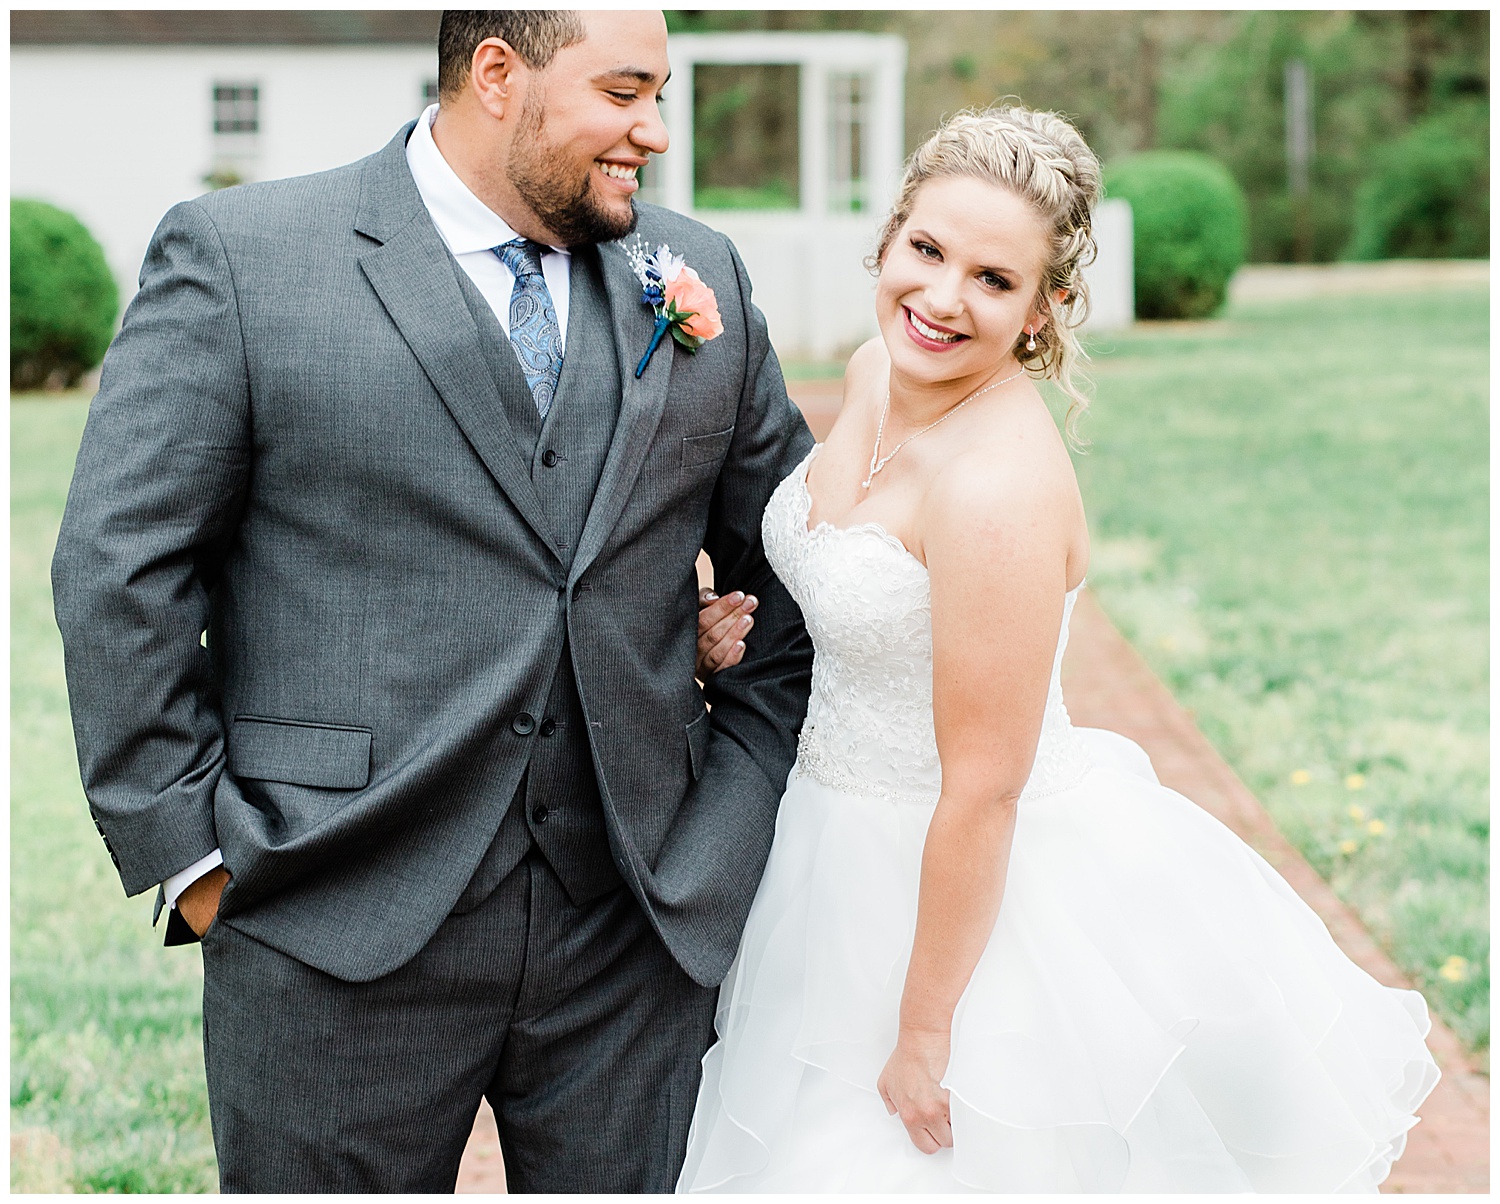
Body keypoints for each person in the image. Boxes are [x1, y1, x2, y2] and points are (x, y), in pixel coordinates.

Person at [51, 10, 812, 1193]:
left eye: (660, 93)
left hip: (632, 935)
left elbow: (797, 566)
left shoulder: (694, 271)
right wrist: (193, 853)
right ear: (498, 75)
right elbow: (122, 562)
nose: (654, 132)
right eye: (624, 93)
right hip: (329, 915)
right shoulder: (246, 256)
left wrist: (723, 826)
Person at [677, 105, 1440, 1193]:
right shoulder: (870, 373)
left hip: (955, 886)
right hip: (827, 840)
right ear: (889, 237)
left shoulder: (998, 489)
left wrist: (927, 1031)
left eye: (993, 279)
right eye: (927, 250)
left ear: (1045, 309)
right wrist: (721, 639)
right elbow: (838, 582)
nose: (940, 299)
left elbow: (984, 788)